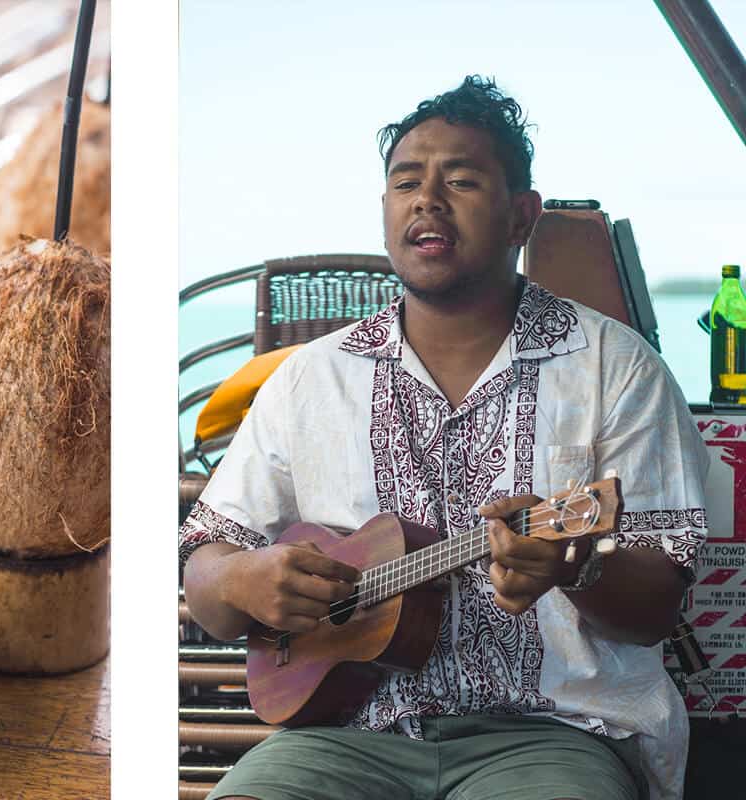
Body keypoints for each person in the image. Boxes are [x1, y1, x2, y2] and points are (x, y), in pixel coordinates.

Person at [180, 75, 708, 800]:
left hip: (553, 740)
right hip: (343, 738)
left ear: (523, 216)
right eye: (405, 183)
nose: (426, 199)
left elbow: (659, 608)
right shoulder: (312, 378)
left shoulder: (615, 369)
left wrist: (574, 567)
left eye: (460, 180)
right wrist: (241, 578)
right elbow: (206, 574)